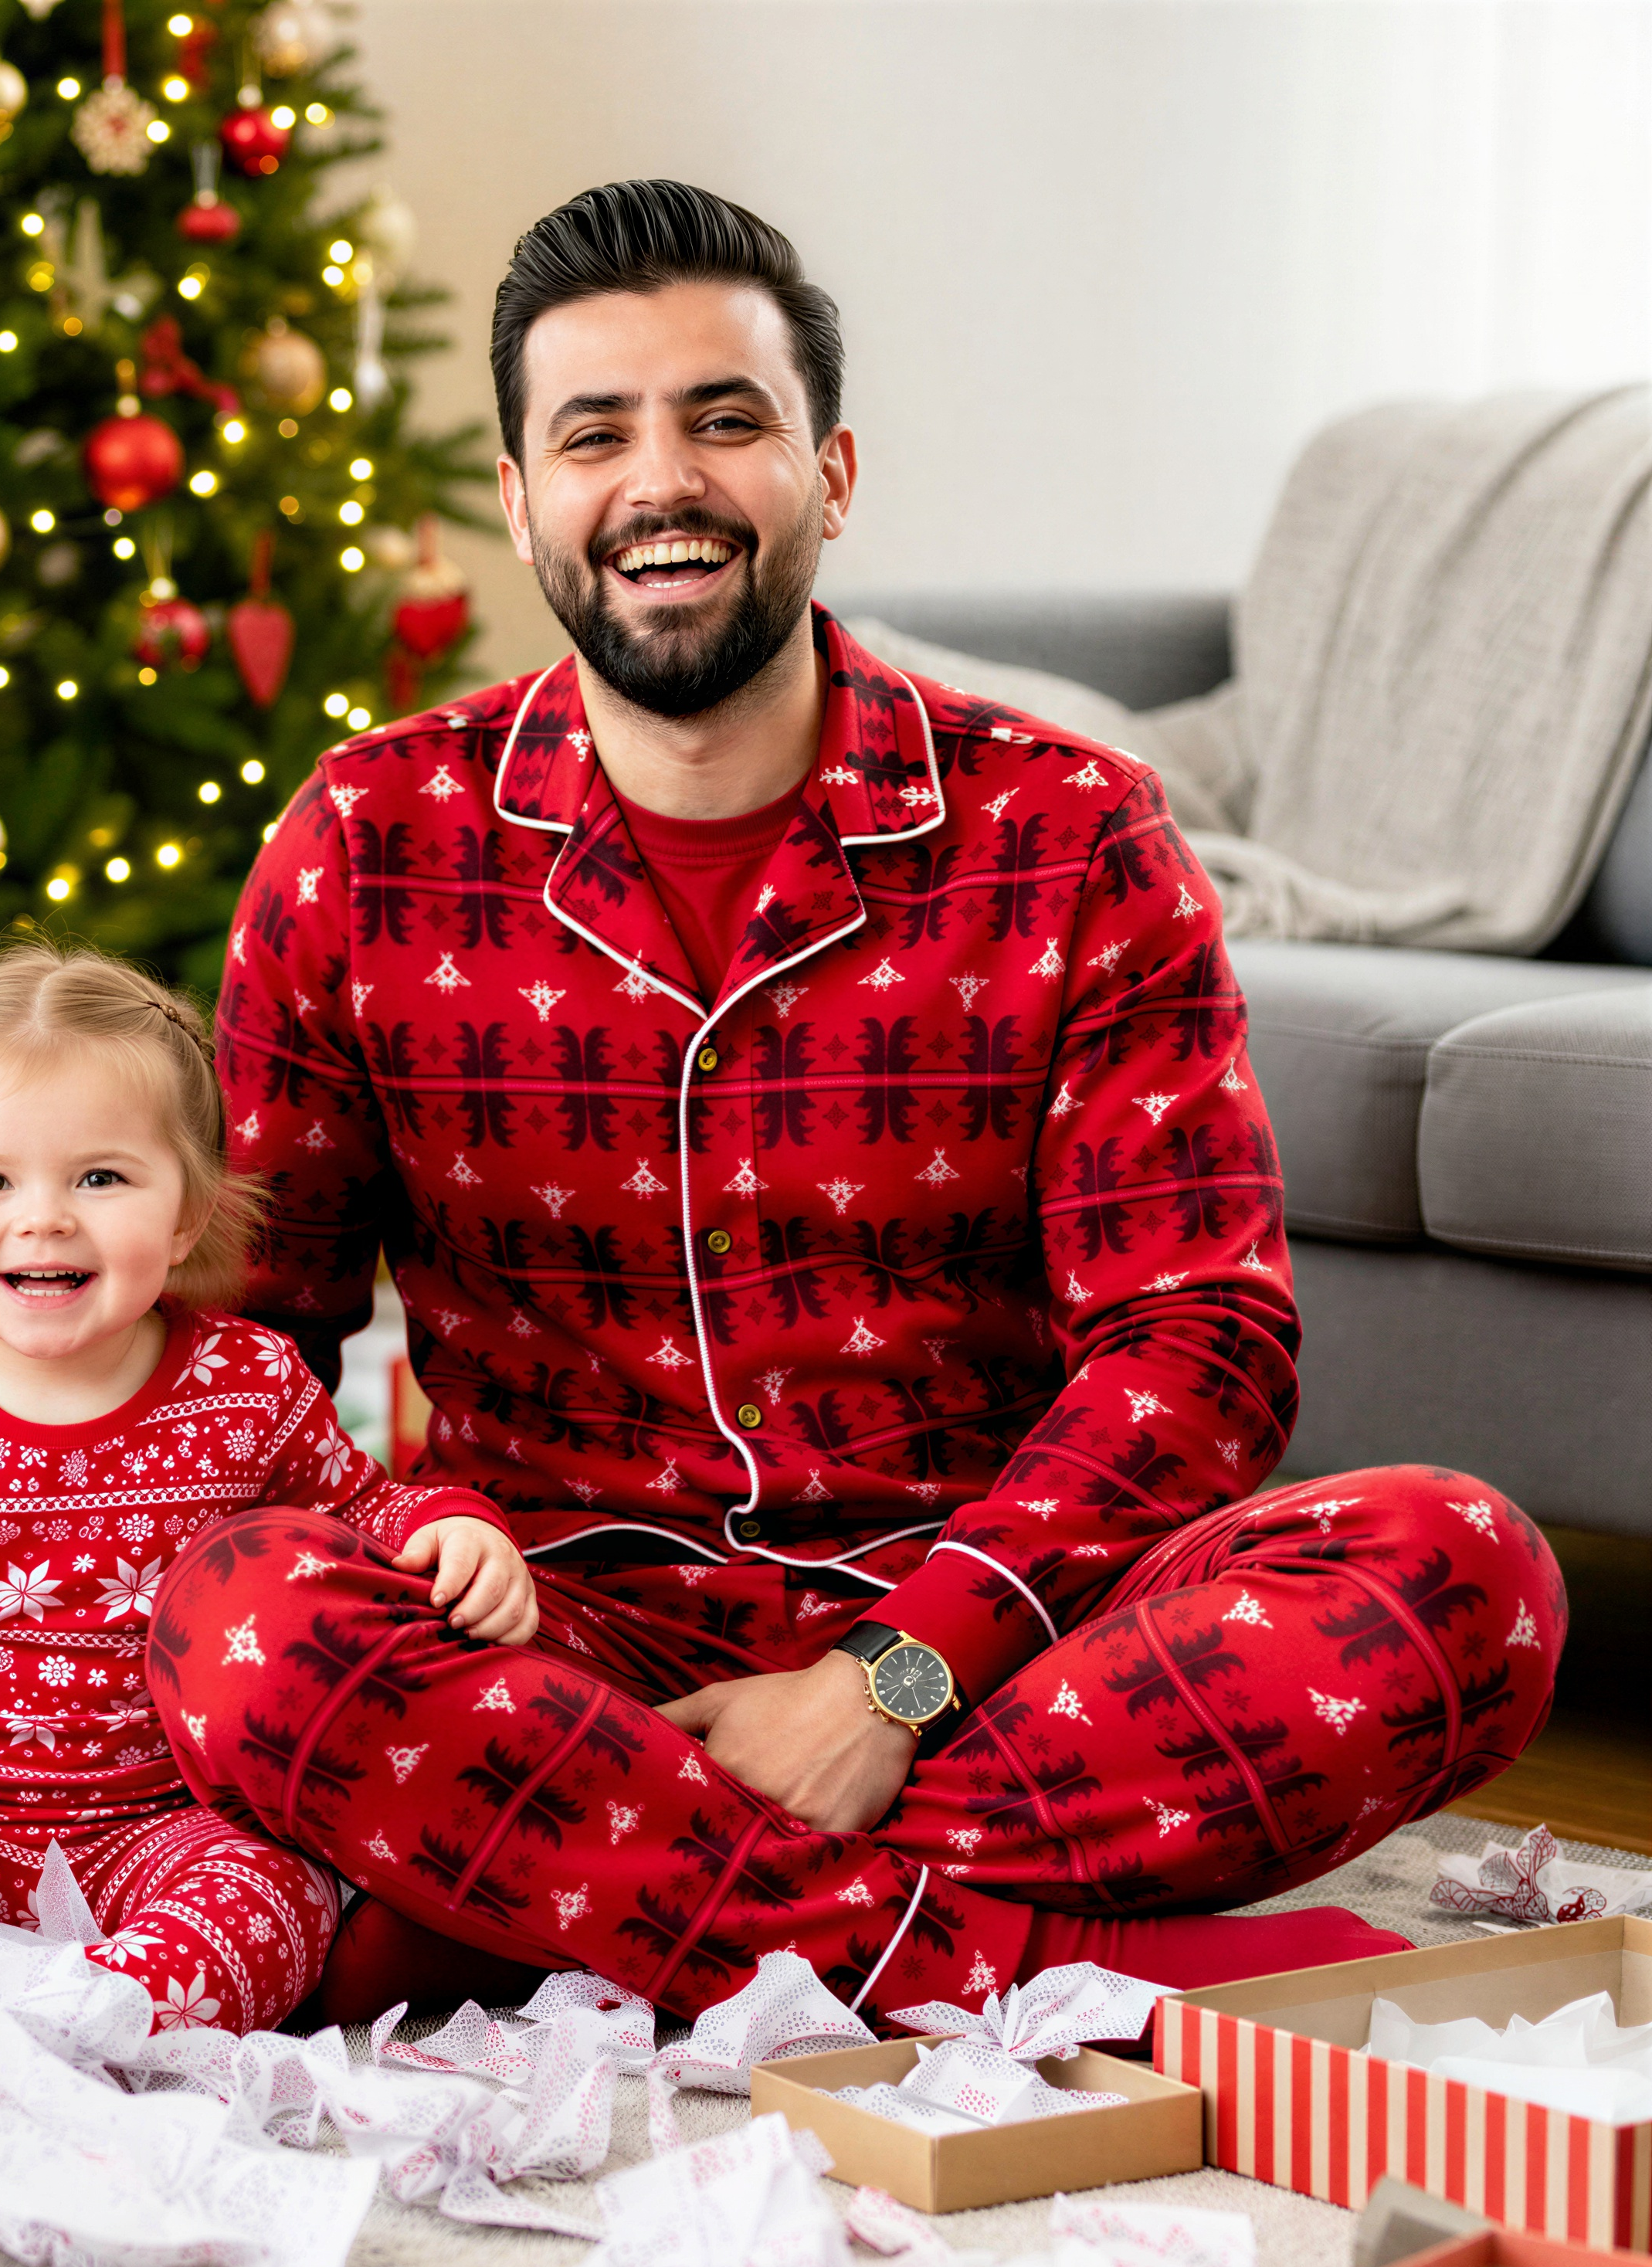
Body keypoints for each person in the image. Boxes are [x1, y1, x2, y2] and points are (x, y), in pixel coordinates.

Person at [152, 181, 1564, 2024]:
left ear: (826, 475)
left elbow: (1198, 1345)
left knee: (1458, 1575)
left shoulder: (1070, 833)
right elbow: (249, 1340)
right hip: (557, 1623)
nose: (660, 482)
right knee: (235, 1621)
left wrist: (889, 1685)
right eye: (593, 435)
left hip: (1001, 1619)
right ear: (515, 501)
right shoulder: (365, 842)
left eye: (720, 421)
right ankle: (1017, 1963)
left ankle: (574, 1900)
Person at [0, 944, 532, 2107]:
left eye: (100, 1180)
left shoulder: (247, 1384)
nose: (45, 1221)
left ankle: (72, 2028)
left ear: (188, 1214)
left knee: (277, 1899)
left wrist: (449, 1521)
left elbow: (359, 1510)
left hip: (164, 1835)